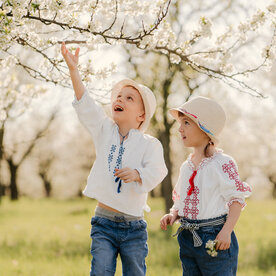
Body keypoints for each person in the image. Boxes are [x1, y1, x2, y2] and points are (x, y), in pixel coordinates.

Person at [61, 42, 168, 276]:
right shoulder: (104, 130)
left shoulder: (150, 144)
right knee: (100, 270)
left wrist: (139, 174)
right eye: (118, 96)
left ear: (141, 115)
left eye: (129, 98)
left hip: (134, 227)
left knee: (135, 272)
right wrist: (73, 71)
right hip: (103, 223)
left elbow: (159, 170)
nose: (120, 99)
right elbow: (86, 105)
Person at [160, 96, 251, 276]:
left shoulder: (222, 163)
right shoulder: (186, 166)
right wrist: (173, 215)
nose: (180, 129)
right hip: (187, 237)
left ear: (204, 128)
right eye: (180, 123)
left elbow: (235, 200)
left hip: (214, 236)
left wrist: (226, 232)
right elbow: (182, 199)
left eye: (186, 123)